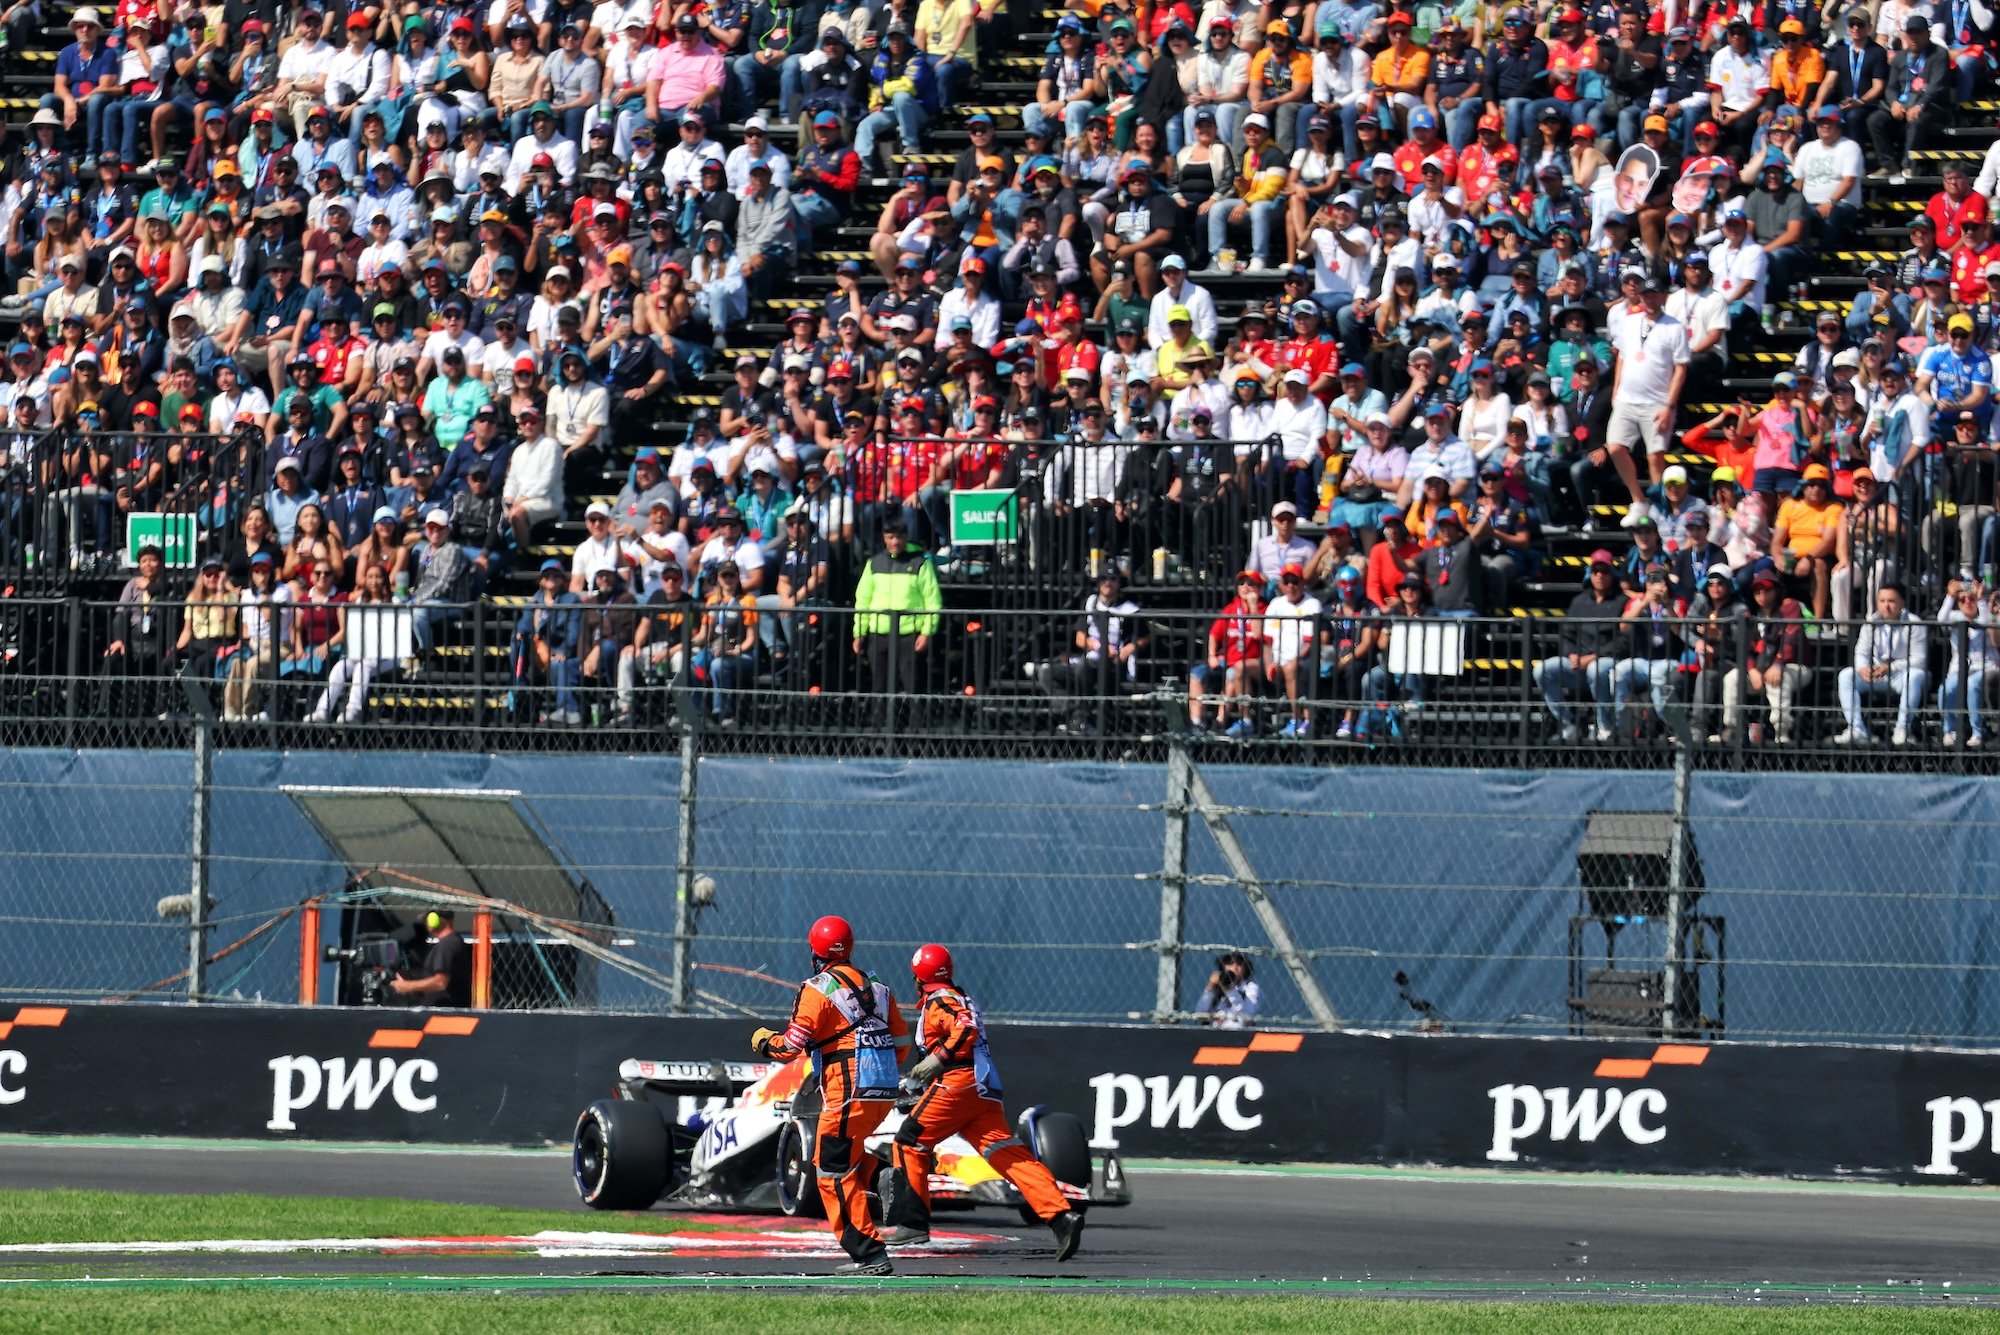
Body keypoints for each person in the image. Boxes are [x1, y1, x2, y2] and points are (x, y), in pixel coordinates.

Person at [881, 943, 1085, 1259]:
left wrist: (938, 1060)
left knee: (908, 1142)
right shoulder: (960, 997)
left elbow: (965, 1029)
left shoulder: (941, 1001)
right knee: (1008, 1155)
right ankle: (1060, 1217)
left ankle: (912, 1223)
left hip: (957, 1083)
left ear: (918, 978)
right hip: (984, 1088)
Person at [750, 916, 910, 1275]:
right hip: (883, 1089)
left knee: (830, 1171)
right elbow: (901, 1044)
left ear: (814, 951)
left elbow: (792, 1046)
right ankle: (883, 1177)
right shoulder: (878, 986)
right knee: (847, 1156)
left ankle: (869, 1254)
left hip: (847, 1091)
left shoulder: (816, 989)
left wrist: (763, 1042)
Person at [1836, 583, 1930, 745]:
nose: (1886, 605)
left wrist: (1890, 667)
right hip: (1877, 676)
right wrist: (1862, 669)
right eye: (1882, 601)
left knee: (1915, 675)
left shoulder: (1915, 622)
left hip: (1902, 674)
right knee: (1846, 675)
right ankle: (1857, 729)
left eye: (1891, 601)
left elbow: (1919, 659)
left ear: (1902, 603)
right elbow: (1861, 652)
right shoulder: (1871, 621)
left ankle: (1902, 729)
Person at [387, 908, 473, 1008]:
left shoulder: (446, 945)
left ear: (435, 919)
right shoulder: (453, 942)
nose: (426, 924)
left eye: (427, 920)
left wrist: (407, 986)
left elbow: (440, 982)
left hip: (444, 1015)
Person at [1196, 949, 1261, 1028]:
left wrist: (1229, 989)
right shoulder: (1217, 987)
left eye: (1239, 963)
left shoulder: (1250, 988)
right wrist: (1210, 988)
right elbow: (1200, 1013)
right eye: (1229, 962)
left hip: (1237, 1033)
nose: (1234, 967)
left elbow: (1246, 1017)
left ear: (1245, 968)